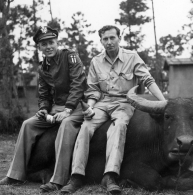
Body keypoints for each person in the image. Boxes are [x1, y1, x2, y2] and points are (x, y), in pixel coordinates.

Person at [60, 25, 165, 194]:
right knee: (86, 127)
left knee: (119, 126)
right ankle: (76, 177)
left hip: (124, 102)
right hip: (102, 102)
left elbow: (147, 80)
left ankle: (110, 176)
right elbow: (93, 89)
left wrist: (163, 102)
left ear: (119, 38)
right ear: (101, 41)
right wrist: (91, 107)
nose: (109, 42)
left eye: (112, 38)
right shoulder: (96, 61)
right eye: (105, 39)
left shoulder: (132, 57)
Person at [0, 26, 86, 193]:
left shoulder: (69, 56)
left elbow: (78, 84)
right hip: (55, 110)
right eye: (44, 44)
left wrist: (68, 110)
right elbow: (43, 95)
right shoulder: (43, 68)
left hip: (76, 106)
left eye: (51, 42)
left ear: (57, 42)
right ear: (39, 47)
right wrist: (43, 109)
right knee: (28, 124)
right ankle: (14, 175)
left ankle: (58, 180)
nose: (48, 46)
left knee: (65, 126)